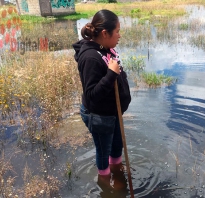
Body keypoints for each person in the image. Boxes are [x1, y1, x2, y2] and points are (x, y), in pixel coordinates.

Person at [72, 9, 131, 191]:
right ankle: (105, 184)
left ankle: (118, 172)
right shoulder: (90, 57)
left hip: (113, 112)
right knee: (103, 150)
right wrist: (111, 74)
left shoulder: (106, 49)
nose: (119, 35)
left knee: (117, 146)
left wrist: (118, 74)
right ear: (105, 33)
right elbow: (92, 95)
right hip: (98, 115)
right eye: (117, 31)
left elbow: (117, 73)